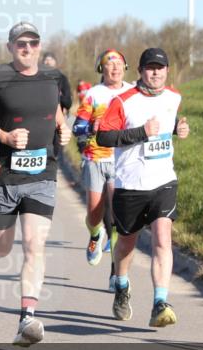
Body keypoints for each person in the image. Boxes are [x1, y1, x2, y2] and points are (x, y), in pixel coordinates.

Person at [0, 22, 72, 346]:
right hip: (5, 176)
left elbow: (57, 114)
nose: (28, 48)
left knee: (35, 244)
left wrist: (65, 130)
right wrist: (5, 136)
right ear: (10, 47)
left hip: (42, 175)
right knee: (3, 246)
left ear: (39, 45)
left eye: (33, 42)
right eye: (21, 43)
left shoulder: (52, 80)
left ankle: (27, 318)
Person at [96, 47, 190, 326]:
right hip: (130, 185)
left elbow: (168, 123)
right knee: (127, 242)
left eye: (160, 68)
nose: (155, 72)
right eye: (150, 68)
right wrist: (140, 133)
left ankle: (160, 302)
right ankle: (122, 285)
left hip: (163, 181)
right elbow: (103, 136)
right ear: (139, 71)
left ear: (167, 71)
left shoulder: (174, 97)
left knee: (163, 237)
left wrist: (178, 129)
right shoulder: (123, 101)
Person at [72, 50, 133, 269]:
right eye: (110, 63)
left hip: (121, 160)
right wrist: (91, 127)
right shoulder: (93, 94)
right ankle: (95, 236)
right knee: (95, 213)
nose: (115, 67)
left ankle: (115, 271)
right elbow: (77, 126)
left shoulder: (133, 92)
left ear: (125, 68)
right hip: (95, 158)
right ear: (101, 69)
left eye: (119, 63)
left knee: (117, 216)